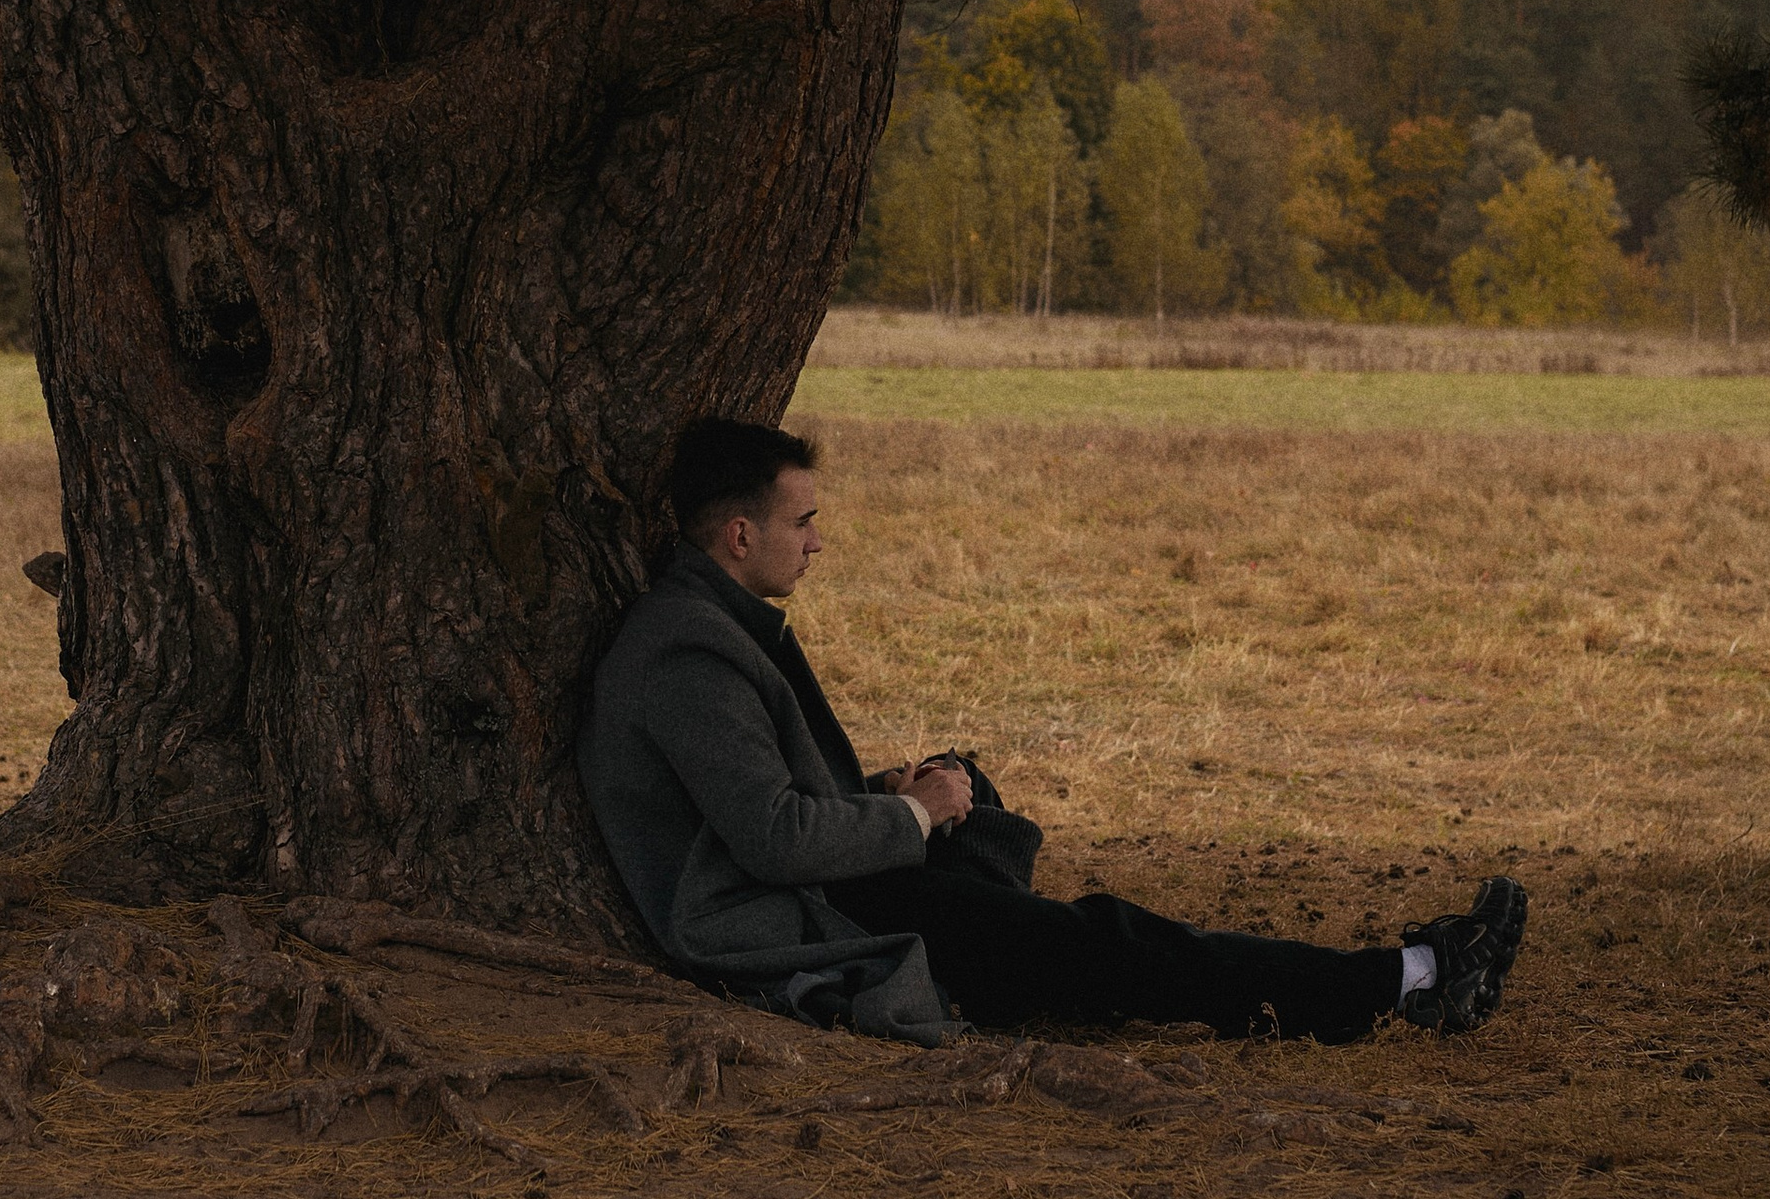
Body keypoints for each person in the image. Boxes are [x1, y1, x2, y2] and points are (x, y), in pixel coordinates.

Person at [579, 415, 1526, 1049]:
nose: (819, 542)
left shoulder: (708, 624)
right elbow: (774, 838)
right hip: (812, 918)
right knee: (1105, 938)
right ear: (739, 536)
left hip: (838, 884)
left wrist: (897, 789)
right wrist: (906, 816)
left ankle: (1026, 957)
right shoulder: (687, 655)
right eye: (805, 521)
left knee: (1000, 842)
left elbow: (770, 795)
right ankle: (1410, 979)